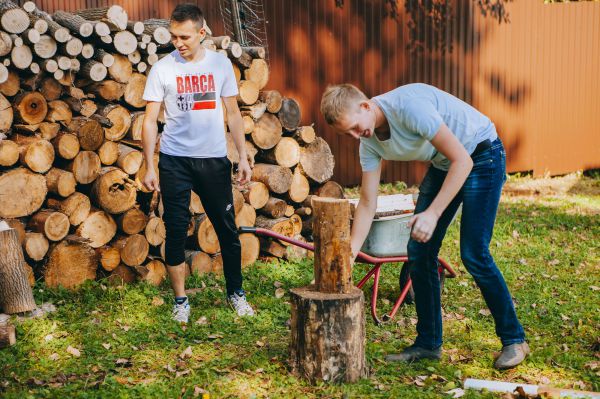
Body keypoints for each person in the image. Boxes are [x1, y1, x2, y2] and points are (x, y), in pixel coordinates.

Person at [320, 83, 528, 369]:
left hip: (481, 155)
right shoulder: (368, 143)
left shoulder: (409, 108)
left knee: (474, 252)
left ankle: (514, 339)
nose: (357, 136)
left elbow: (463, 161)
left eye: (356, 127)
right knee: (419, 252)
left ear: (366, 106)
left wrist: (432, 213)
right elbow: (367, 203)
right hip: (446, 164)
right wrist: (352, 252)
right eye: (349, 134)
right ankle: (428, 344)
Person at [141, 3, 255, 323]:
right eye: (174, 36)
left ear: (202, 33)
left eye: (185, 36)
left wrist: (242, 157)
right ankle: (180, 301)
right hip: (175, 161)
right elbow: (150, 121)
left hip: (213, 160)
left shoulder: (220, 65)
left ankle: (236, 293)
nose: (178, 42)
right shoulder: (163, 69)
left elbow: (233, 113)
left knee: (226, 230)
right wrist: (150, 165)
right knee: (175, 230)